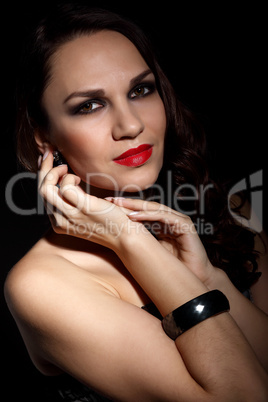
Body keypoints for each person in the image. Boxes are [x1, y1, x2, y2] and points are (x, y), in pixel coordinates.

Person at [4, 3, 268, 401]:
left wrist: (210, 279)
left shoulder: (230, 211)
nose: (131, 125)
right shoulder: (41, 285)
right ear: (44, 136)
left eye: (140, 90)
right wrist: (132, 241)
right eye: (89, 105)